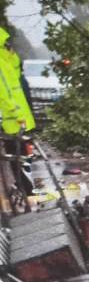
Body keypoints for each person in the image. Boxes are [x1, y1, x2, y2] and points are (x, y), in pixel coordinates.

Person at [0, 27, 36, 194]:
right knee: (18, 156)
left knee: (23, 154)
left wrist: (12, 55)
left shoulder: (5, 60)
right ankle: (26, 189)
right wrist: (17, 114)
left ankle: (26, 187)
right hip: (13, 119)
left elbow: (16, 72)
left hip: (18, 117)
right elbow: (4, 94)